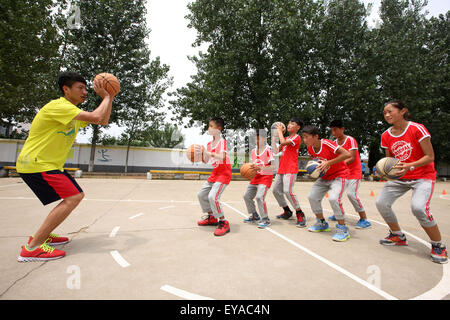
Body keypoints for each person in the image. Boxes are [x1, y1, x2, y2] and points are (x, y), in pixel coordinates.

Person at [17, 71, 114, 262]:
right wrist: (108, 96)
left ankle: (42, 236)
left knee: (73, 196)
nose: (85, 92)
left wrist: (109, 99)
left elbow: (103, 120)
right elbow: (96, 116)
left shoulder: (72, 112)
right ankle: (32, 248)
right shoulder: (59, 106)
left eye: (86, 88)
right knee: (74, 197)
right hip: (37, 163)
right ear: (66, 89)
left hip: (46, 164)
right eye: (80, 88)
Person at [376, 100, 447, 264]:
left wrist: (410, 166)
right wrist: (385, 171)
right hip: (401, 177)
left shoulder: (417, 129)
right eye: (384, 112)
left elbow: (430, 156)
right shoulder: (386, 135)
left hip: (423, 176)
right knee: (381, 203)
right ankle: (397, 235)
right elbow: (390, 160)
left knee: (419, 208)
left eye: (390, 111)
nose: (387, 115)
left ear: (403, 111)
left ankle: (438, 245)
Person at [301, 125, 352, 242]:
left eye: (306, 137)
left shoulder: (327, 143)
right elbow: (314, 159)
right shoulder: (310, 148)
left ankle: (343, 228)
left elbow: (347, 154)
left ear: (316, 136)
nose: (305, 140)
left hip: (340, 175)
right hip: (325, 177)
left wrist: (328, 163)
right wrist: (314, 168)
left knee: (333, 199)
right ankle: (322, 223)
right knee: (312, 197)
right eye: (303, 137)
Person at [328, 120, 371, 229]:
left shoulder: (350, 140)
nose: (333, 132)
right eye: (331, 130)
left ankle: (364, 219)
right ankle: (338, 214)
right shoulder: (334, 142)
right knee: (335, 195)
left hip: (353, 173)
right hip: (341, 173)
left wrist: (336, 164)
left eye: (335, 130)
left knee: (351, 194)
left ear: (342, 129)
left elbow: (351, 157)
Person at [196, 117, 232, 236]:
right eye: (209, 126)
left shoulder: (222, 142)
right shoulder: (208, 144)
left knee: (212, 197)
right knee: (201, 195)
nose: (209, 128)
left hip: (224, 173)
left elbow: (222, 157)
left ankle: (223, 222)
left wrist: (209, 153)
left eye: (211, 126)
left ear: (219, 129)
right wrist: (199, 155)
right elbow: (206, 160)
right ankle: (211, 217)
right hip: (215, 174)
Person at [271, 118, 307, 227]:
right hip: (282, 168)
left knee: (288, 191)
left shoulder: (296, 137)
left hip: (291, 169)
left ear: (298, 127)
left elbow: (282, 142)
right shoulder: (285, 138)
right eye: (289, 123)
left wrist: (280, 133)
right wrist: (275, 136)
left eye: (292, 124)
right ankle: (287, 211)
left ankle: (300, 213)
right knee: (276, 191)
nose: (289, 125)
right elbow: (275, 151)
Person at [243, 129, 275, 228]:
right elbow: (254, 165)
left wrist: (260, 167)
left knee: (259, 197)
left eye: (259, 139)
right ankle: (254, 215)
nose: (257, 141)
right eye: (255, 139)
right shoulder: (253, 151)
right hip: (256, 177)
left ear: (265, 139)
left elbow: (273, 167)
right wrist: (247, 167)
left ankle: (265, 219)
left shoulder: (268, 150)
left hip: (266, 177)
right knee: (246, 196)